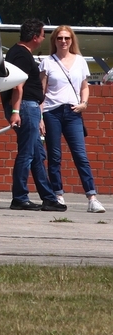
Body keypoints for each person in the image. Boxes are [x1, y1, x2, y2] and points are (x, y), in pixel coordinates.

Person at [40, 26, 106, 213]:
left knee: (80, 155)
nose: (63, 41)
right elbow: (42, 93)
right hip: (52, 112)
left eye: (67, 38)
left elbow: (85, 86)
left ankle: (92, 197)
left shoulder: (80, 61)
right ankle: (58, 195)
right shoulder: (47, 62)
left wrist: (84, 103)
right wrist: (40, 117)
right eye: (60, 38)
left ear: (72, 40)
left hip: (73, 112)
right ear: (54, 40)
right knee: (54, 156)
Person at [3, 19, 66, 211]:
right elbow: (17, 85)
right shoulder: (21, 54)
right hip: (24, 107)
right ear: (34, 37)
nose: (44, 38)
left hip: (29, 108)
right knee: (27, 153)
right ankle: (19, 197)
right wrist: (15, 111)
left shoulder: (19, 52)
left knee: (38, 154)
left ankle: (48, 197)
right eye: (42, 34)